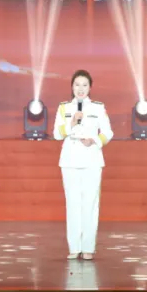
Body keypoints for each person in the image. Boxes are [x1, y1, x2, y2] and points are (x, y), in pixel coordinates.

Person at [53, 69, 113, 260]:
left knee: (90, 204)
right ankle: (74, 247)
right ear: (72, 87)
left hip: (91, 159)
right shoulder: (64, 108)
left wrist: (94, 140)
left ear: (90, 87)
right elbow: (57, 134)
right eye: (77, 85)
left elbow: (108, 132)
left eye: (84, 85)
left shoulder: (98, 107)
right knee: (73, 204)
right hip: (70, 160)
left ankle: (88, 247)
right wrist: (71, 123)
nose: (81, 89)